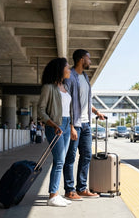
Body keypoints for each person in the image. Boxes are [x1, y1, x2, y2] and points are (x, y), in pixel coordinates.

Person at [63, 49, 105, 200]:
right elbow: (67, 102)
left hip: (86, 124)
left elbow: (86, 101)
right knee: (70, 157)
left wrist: (96, 112)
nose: (90, 61)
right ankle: (69, 190)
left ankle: (81, 188)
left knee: (86, 155)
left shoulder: (86, 77)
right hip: (75, 124)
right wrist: (71, 126)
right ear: (81, 59)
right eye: (89, 58)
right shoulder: (70, 77)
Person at [38, 58, 74, 207]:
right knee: (59, 161)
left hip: (65, 125)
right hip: (55, 127)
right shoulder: (49, 87)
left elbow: (68, 110)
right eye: (67, 67)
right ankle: (52, 196)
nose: (69, 70)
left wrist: (71, 126)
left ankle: (56, 194)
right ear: (60, 69)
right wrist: (53, 124)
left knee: (61, 161)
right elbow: (41, 110)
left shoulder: (65, 87)